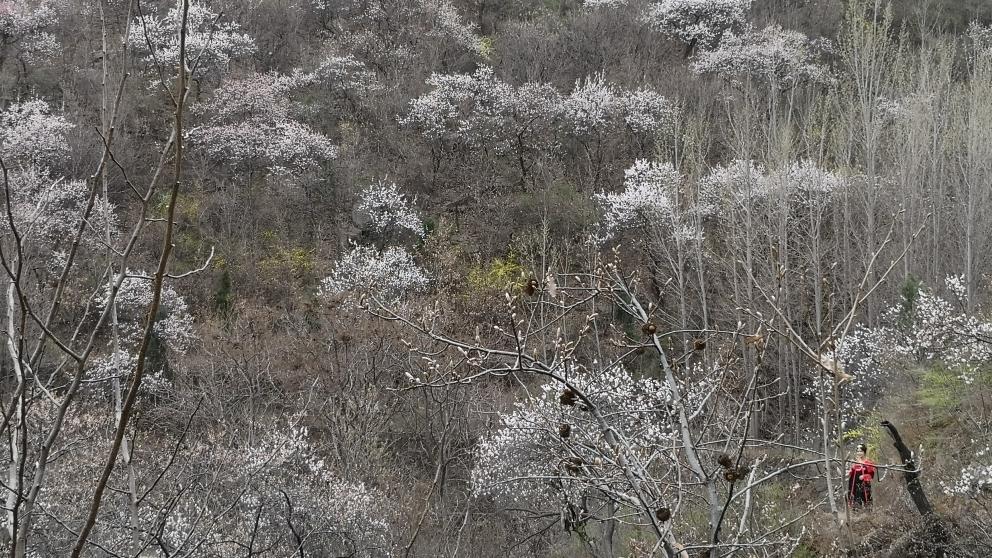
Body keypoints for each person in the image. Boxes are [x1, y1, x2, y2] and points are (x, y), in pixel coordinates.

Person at [847, 443, 876, 509]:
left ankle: (868, 516)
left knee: (866, 501)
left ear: (864, 452)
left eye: (861, 451)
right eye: (858, 451)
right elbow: (851, 474)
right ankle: (855, 515)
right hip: (854, 485)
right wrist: (849, 471)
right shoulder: (854, 462)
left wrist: (864, 476)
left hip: (864, 485)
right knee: (855, 502)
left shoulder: (868, 462)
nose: (859, 453)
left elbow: (871, 475)